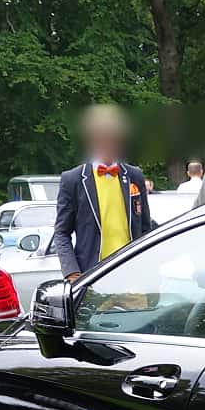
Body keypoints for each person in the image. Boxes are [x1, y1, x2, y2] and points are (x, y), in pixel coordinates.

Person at [49, 103, 157, 281]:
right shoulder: (73, 180)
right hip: (93, 279)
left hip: (134, 277)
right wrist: (73, 273)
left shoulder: (134, 175)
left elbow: (146, 227)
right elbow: (61, 232)